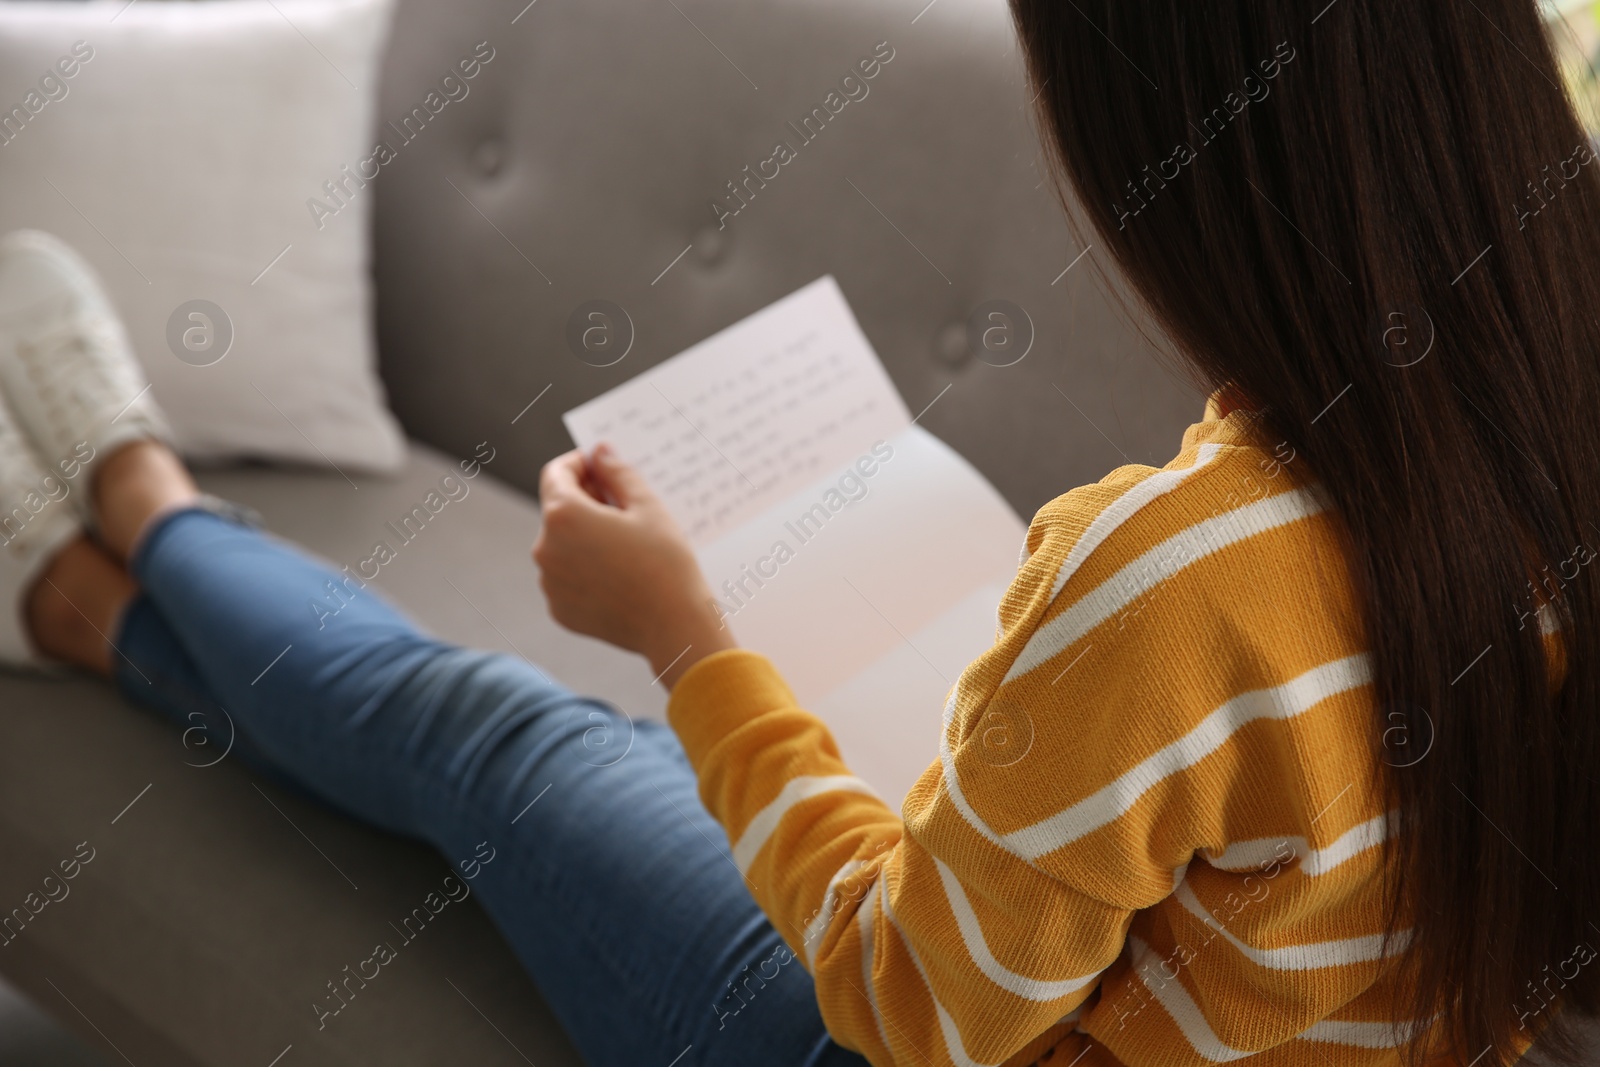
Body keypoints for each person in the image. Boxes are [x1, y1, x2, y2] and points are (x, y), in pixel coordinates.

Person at [1, 0, 1596, 1064]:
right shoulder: (1546, 421)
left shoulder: (1188, 575)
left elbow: (913, 1007)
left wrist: (683, 634)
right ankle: (82, 597)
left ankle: (140, 491)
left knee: (492, 730)